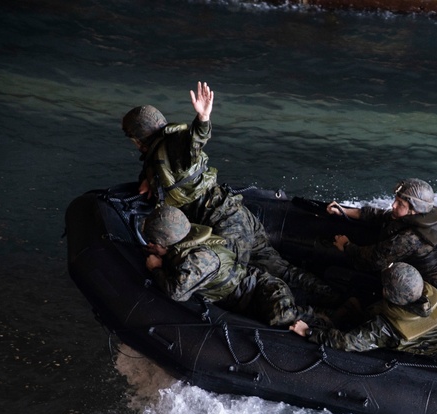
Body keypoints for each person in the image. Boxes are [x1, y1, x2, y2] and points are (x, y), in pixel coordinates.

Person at [123, 82, 340, 308]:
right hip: (235, 213)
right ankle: (333, 297)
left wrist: (203, 119)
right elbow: (170, 175)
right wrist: (148, 180)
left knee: (239, 280)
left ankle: (308, 314)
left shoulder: (173, 145)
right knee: (277, 268)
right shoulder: (159, 156)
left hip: (222, 225)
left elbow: (193, 142)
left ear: (139, 137)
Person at [324, 178, 437, 367]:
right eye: (396, 199)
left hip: (431, 287)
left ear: (414, 210)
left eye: (400, 203)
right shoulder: (418, 218)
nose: (393, 205)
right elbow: (384, 216)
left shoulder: (410, 238)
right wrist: (345, 211)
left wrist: (347, 246)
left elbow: (372, 260)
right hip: (428, 277)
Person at [142, 205, 310, 327]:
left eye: (154, 242)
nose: (150, 245)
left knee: (282, 318)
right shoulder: (188, 238)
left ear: (166, 242)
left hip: (261, 292)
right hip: (244, 295)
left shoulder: (198, 258)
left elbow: (177, 293)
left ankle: (317, 319)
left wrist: (156, 268)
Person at [289, 263, 437, 364]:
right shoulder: (427, 297)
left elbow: (348, 342)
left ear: (388, 293)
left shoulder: (384, 327)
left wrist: (309, 332)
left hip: (431, 357)